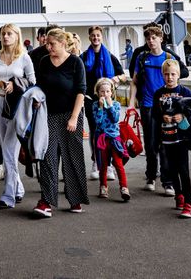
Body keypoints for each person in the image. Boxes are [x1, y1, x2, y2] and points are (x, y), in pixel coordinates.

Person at [32, 28, 88, 217]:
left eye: (52, 44)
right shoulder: (44, 62)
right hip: (49, 115)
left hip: (71, 114)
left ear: (63, 43)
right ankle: (46, 201)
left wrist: (73, 117)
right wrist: (36, 100)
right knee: (48, 157)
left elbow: (81, 91)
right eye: (46, 43)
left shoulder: (75, 62)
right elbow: (39, 86)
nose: (48, 47)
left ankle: (75, 199)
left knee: (72, 157)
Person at [129, 24, 185, 195]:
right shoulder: (141, 57)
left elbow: (178, 75)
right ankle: (151, 176)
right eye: (148, 38)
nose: (151, 41)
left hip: (166, 105)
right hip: (147, 106)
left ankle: (167, 182)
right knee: (151, 144)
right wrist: (131, 103)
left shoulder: (169, 57)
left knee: (166, 144)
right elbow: (135, 82)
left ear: (161, 39)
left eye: (154, 38)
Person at [0, 23, 34, 208]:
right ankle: (18, 189)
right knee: (6, 147)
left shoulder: (24, 57)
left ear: (17, 36)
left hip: (17, 105)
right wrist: (0, 83)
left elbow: (32, 82)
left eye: (9, 33)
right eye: (3, 34)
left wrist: (15, 82)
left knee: (8, 148)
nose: (5, 37)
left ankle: (8, 195)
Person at [152, 59, 191, 218]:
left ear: (178, 75)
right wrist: (162, 117)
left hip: (182, 139)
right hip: (166, 139)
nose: (169, 77)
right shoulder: (158, 94)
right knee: (171, 170)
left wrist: (183, 115)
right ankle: (178, 195)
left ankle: (189, 203)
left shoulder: (185, 92)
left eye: (173, 74)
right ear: (162, 75)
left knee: (183, 170)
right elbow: (154, 114)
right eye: (166, 74)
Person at [81, 26, 127, 181]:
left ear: (101, 37)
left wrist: (115, 79)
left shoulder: (110, 56)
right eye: (93, 35)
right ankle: (97, 162)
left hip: (108, 99)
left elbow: (123, 75)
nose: (96, 38)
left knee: (111, 132)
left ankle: (110, 165)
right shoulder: (83, 56)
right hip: (90, 100)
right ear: (89, 37)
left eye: (98, 35)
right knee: (95, 131)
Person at [90, 77, 130, 201]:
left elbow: (115, 119)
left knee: (118, 163)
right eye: (102, 92)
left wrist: (110, 106)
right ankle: (103, 186)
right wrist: (101, 108)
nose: (105, 94)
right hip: (102, 137)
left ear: (112, 92)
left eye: (107, 92)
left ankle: (124, 187)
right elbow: (98, 121)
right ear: (98, 93)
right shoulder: (95, 105)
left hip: (114, 137)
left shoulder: (116, 104)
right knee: (103, 164)